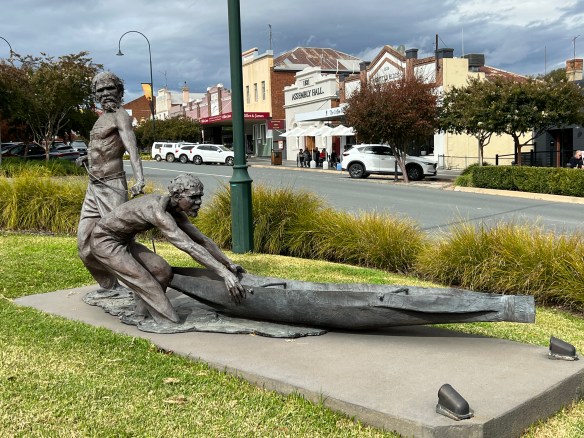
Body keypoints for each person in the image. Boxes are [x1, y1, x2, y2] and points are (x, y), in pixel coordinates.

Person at [90, 174, 246, 324]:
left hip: (126, 241)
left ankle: (141, 312)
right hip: (104, 242)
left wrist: (228, 264)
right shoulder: (158, 211)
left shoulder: (176, 212)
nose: (199, 202)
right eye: (193, 197)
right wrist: (223, 273)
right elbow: (189, 246)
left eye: (200, 196)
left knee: (162, 271)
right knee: (146, 283)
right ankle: (167, 321)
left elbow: (202, 240)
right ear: (177, 196)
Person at [77, 71, 146, 292]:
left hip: (112, 186)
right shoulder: (100, 118)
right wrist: (87, 158)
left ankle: (144, 288)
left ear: (120, 91)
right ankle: (109, 287)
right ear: (95, 94)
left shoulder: (121, 116)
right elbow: (101, 148)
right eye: (101, 90)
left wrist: (139, 179)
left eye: (110, 88)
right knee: (84, 245)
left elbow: (132, 149)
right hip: (93, 188)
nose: (106, 93)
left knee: (120, 243)